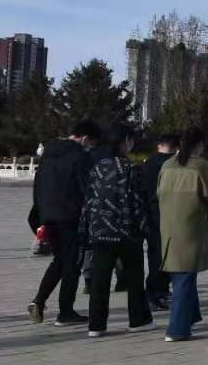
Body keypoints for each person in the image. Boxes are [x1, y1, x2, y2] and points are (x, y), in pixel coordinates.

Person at [83, 123, 153, 337]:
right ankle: (138, 320)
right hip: (126, 231)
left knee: (100, 279)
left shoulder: (98, 168)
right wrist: (146, 228)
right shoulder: (132, 168)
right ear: (125, 142)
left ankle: (96, 325)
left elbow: (89, 200)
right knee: (134, 277)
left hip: (100, 230)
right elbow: (138, 202)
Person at [28, 120, 99, 325]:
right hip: (71, 217)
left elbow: (37, 186)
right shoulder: (80, 157)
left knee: (60, 261)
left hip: (48, 216)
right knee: (72, 265)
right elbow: (86, 188)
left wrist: (40, 216)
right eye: (92, 143)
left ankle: (39, 301)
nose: (91, 147)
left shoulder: (48, 155)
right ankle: (65, 312)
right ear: (85, 138)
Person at [157, 128, 208, 342]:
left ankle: (191, 315)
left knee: (180, 274)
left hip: (168, 226)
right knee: (184, 277)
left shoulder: (167, 165)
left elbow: (158, 193)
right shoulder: (202, 166)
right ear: (200, 145)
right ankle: (177, 329)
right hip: (191, 227)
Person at [137, 132, 179, 312]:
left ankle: (156, 291)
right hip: (170, 214)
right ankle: (157, 292)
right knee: (167, 256)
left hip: (151, 214)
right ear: (176, 147)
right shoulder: (175, 164)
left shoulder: (147, 163)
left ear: (158, 145)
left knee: (155, 255)